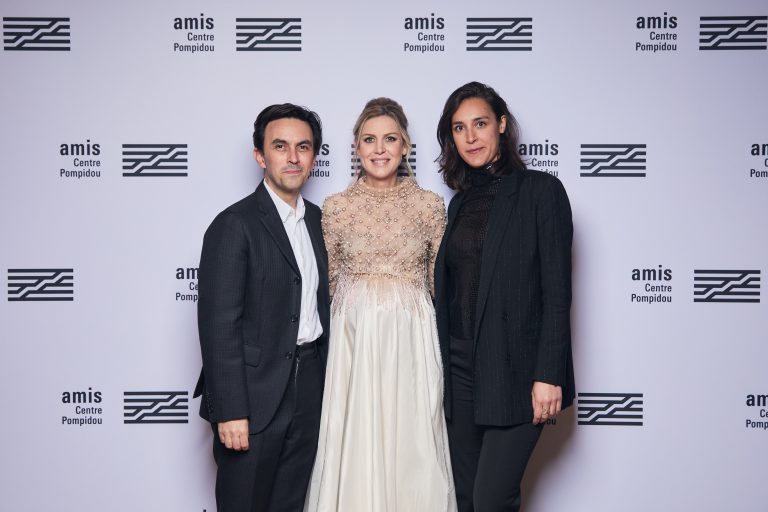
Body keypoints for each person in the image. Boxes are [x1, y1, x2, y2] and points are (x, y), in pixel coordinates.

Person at [305, 98, 457, 511]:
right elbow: (330, 284)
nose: (379, 149)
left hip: (412, 338)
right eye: (369, 140)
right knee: (355, 434)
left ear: (406, 145)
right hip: (354, 341)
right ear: (356, 147)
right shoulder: (335, 209)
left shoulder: (429, 206)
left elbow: (437, 284)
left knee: (414, 437)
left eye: (390, 139)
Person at [433, 82, 575, 512]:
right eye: (459, 128)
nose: (470, 137)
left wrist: (548, 373)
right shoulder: (459, 204)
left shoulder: (540, 192)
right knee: (465, 499)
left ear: (501, 124)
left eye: (479, 124)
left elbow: (556, 291)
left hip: (517, 373)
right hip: (459, 372)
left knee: (492, 498)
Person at [193, 103, 330, 511]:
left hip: (310, 390)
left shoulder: (321, 222)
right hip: (252, 398)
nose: (293, 157)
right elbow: (219, 326)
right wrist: (230, 410)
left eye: (303, 147)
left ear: (313, 157)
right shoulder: (234, 224)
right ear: (260, 156)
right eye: (280, 146)